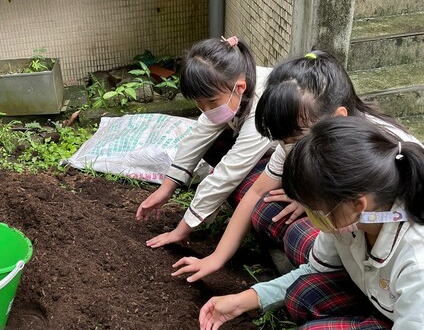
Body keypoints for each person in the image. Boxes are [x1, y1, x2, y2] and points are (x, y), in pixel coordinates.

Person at [199, 116, 424, 330]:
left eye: (314, 208)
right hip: (393, 303)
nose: (308, 215)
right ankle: (380, 329)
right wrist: (246, 299)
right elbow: (315, 270)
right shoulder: (361, 213)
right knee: (305, 293)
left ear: (358, 204)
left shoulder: (417, 261)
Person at [172, 50, 420, 281]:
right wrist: (216, 258)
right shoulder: (303, 141)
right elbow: (257, 192)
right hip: (349, 235)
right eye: (283, 141)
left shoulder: (376, 151)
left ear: (337, 117)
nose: (288, 148)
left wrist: (317, 202)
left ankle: (362, 289)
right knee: (266, 210)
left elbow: (378, 217)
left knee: (304, 240)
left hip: (389, 247)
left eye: (293, 140)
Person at [136, 36, 274, 248]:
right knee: (210, 141)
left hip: (298, 159)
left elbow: (229, 172)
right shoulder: (231, 83)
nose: (206, 110)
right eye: (200, 104)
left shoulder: (264, 103)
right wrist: (166, 189)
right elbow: (197, 138)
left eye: (212, 102)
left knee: (238, 179)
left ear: (240, 87)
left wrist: (183, 228)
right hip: (268, 152)